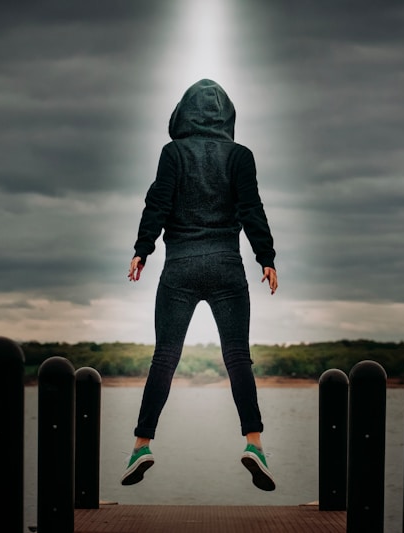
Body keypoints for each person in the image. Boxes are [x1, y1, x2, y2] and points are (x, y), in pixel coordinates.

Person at [121, 79, 278, 491]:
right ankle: (254, 443)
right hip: (227, 265)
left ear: (182, 113)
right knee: (238, 358)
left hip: (180, 267)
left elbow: (157, 201)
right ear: (227, 115)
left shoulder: (172, 153)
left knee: (165, 358)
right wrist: (266, 258)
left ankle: (142, 444)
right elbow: (251, 207)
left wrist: (142, 249)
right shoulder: (240, 156)